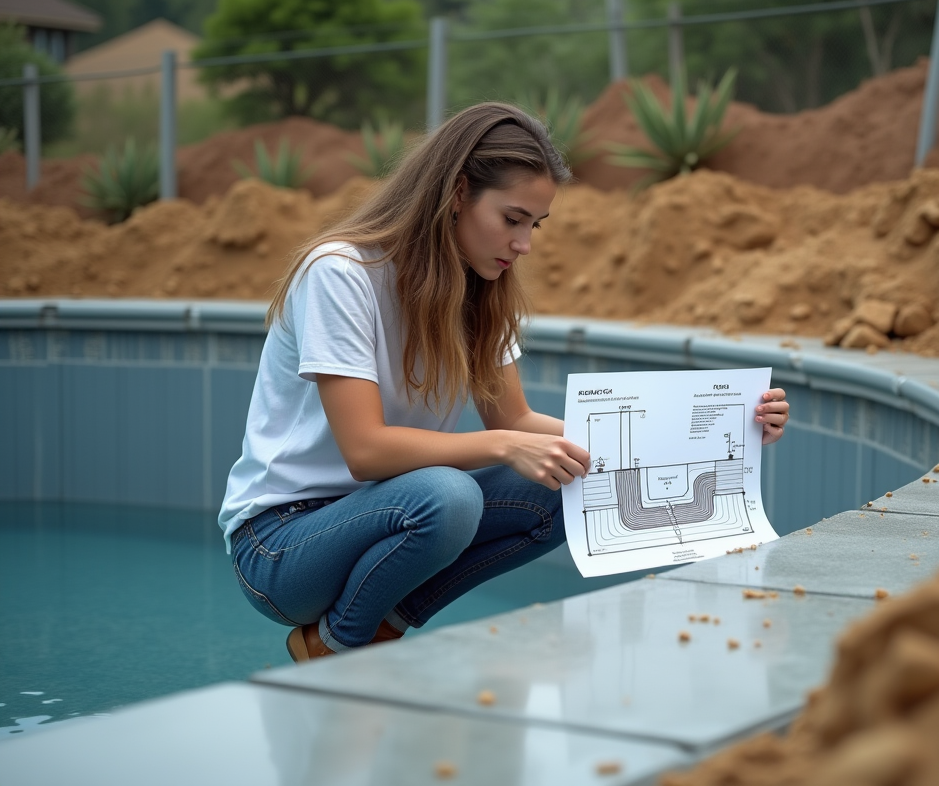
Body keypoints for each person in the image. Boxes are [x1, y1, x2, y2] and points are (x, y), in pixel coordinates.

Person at [217, 102, 791, 662]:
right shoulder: (343, 274)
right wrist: (505, 447)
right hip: (283, 543)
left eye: (535, 224)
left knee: (562, 487)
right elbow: (366, 451)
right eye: (513, 219)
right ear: (458, 193)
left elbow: (516, 422)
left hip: (389, 516)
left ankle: (374, 629)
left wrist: (715, 438)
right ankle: (339, 647)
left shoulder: (481, 293)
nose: (525, 244)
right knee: (447, 496)